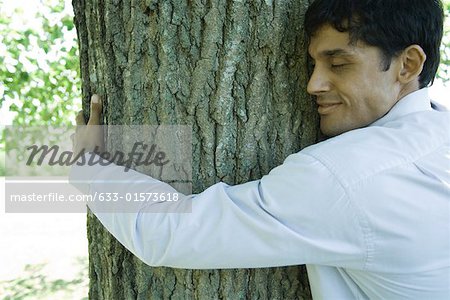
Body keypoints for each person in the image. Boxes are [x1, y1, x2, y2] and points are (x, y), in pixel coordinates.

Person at [70, 0, 450, 298]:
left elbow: (167, 234)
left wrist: (90, 167)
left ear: (408, 65)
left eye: (338, 63)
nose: (313, 84)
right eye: (313, 64)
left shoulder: (347, 176)